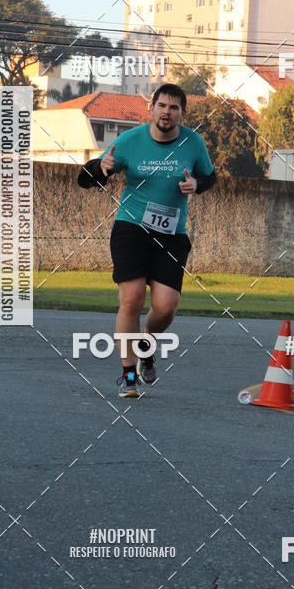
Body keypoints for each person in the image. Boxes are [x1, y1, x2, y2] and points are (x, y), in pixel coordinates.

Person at [77, 84, 216, 397]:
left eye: (174, 108)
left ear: (182, 113)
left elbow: (210, 177)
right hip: (131, 229)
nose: (166, 112)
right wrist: (100, 168)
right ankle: (128, 376)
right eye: (162, 106)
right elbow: (85, 179)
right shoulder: (129, 140)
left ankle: (146, 346)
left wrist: (197, 183)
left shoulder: (193, 143)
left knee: (165, 308)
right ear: (151, 109)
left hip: (172, 233)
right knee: (132, 300)